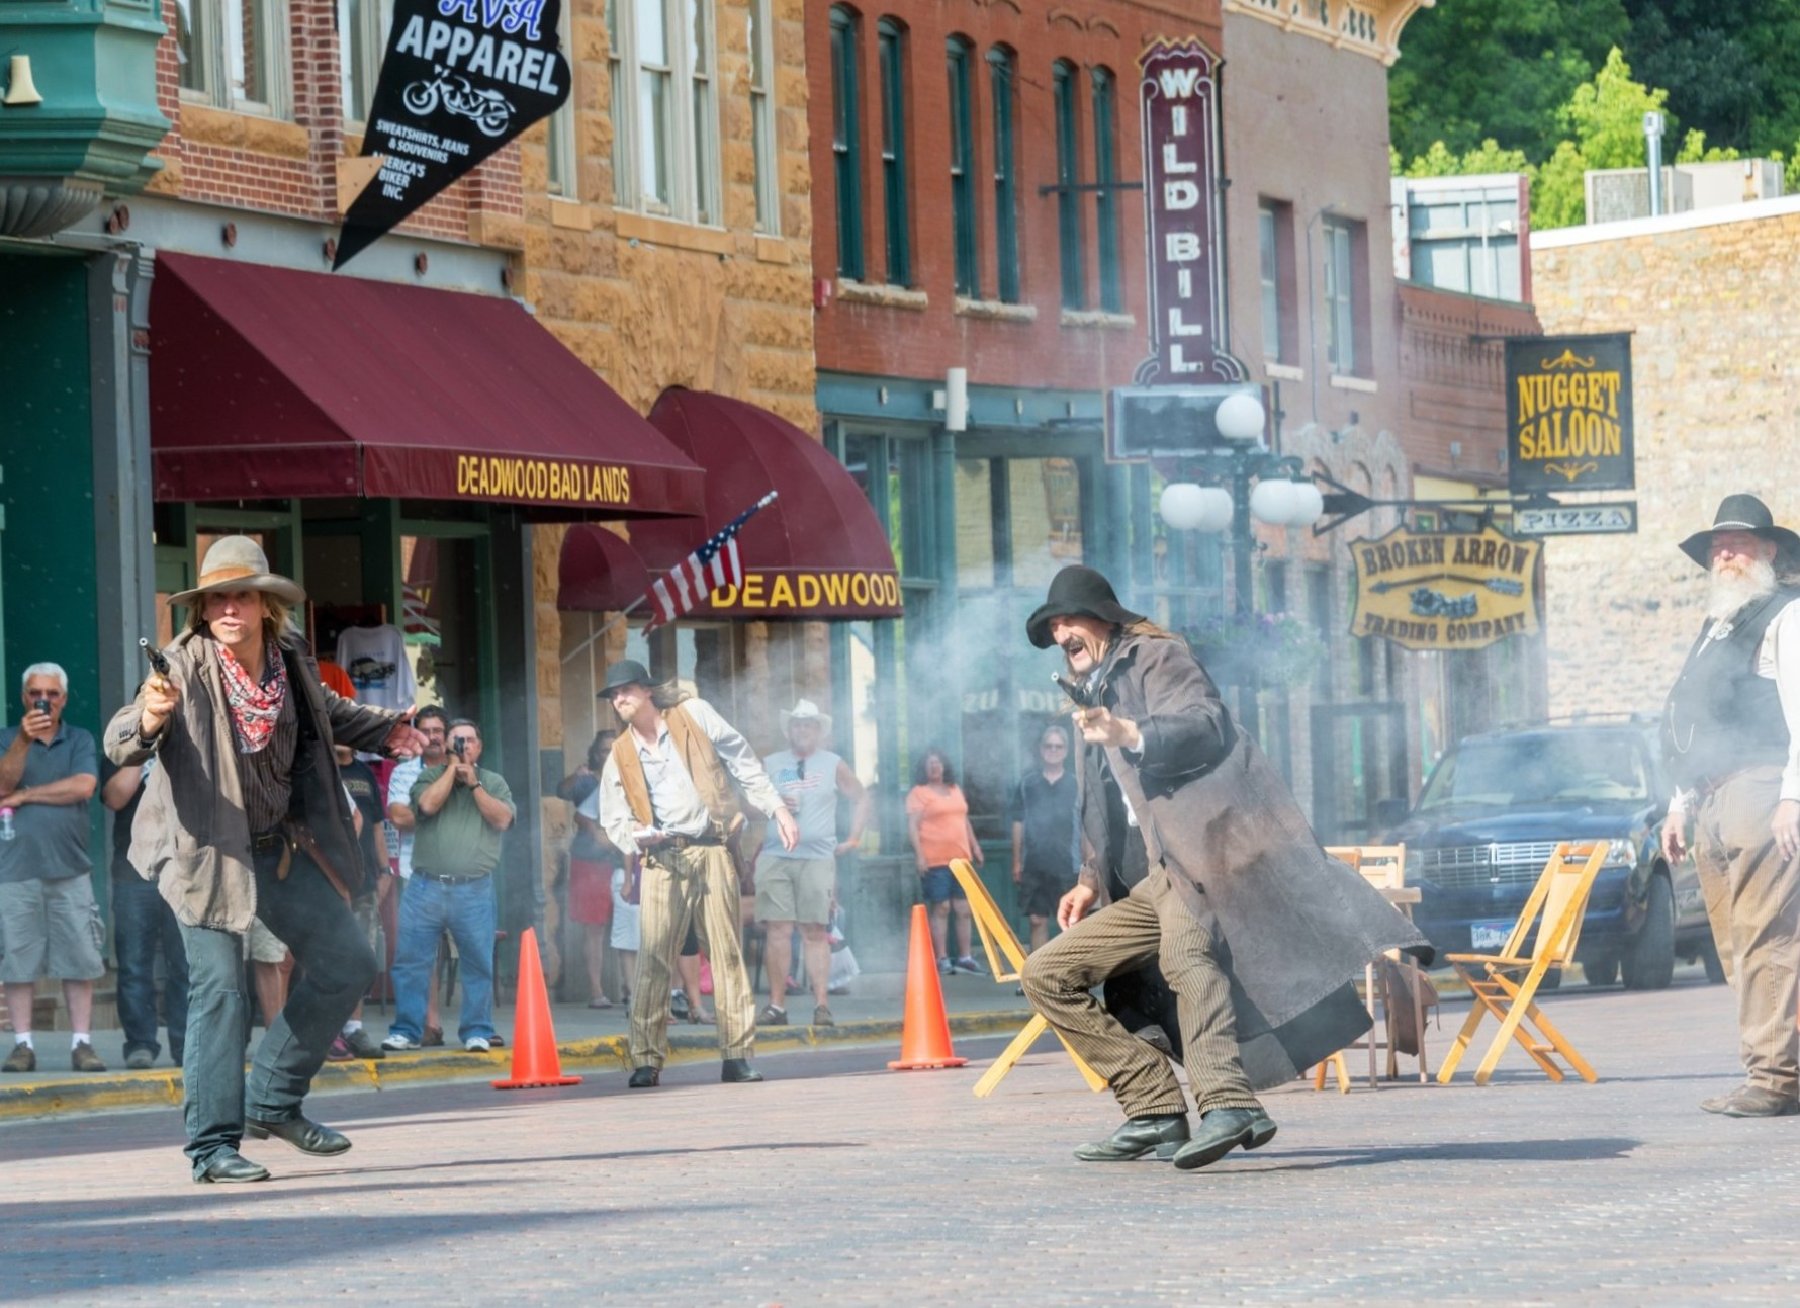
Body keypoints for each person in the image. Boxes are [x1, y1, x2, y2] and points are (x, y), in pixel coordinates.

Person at [1016, 565, 1429, 1171]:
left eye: (1067, 620)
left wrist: (1128, 730)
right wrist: (1088, 877)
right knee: (1047, 974)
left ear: (1102, 619)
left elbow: (1205, 722)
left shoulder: (1156, 658)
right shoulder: (1088, 695)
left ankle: (1229, 1103)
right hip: (1153, 873)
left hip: (1204, 852)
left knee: (1187, 957)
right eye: (1052, 627)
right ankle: (1154, 1108)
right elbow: (1102, 806)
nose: (1059, 634)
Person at [105, 536, 426, 1183]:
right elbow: (121, 740)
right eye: (217, 598)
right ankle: (211, 1147)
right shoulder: (182, 665)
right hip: (199, 854)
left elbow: (326, 710)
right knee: (221, 990)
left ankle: (273, 1099)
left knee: (348, 962)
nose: (230, 608)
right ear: (203, 608)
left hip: (274, 847)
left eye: (242, 596)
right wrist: (150, 717)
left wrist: (384, 728)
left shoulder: (289, 659)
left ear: (264, 605)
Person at [1659, 494, 1800, 1119]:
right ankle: (1776, 1067)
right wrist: (1679, 803)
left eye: (1738, 544)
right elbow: (1695, 722)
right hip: (1713, 795)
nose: (1725, 555)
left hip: (1760, 787)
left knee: (1767, 936)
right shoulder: (1717, 624)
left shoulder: (1787, 615)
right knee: (1735, 943)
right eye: (1718, 547)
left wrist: (1793, 795)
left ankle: (1774, 1078)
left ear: (1768, 550)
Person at [595, 660, 798, 1088]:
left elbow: (743, 761)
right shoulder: (620, 753)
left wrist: (776, 807)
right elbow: (613, 818)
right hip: (661, 858)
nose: (619, 699)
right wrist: (636, 836)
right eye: (613, 695)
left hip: (711, 848)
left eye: (626, 690)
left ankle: (737, 1056)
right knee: (653, 958)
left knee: (726, 954)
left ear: (647, 690)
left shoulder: (694, 714)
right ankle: (646, 1060)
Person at [384, 718, 514, 1053]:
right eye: (457, 741)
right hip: (425, 886)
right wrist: (452, 769)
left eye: (468, 741)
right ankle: (407, 1031)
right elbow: (427, 805)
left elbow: (502, 820)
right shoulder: (429, 777)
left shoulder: (493, 782)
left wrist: (474, 784)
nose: (463, 746)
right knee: (411, 961)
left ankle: (477, 1031)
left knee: (477, 962)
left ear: (479, 747)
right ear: (446, 747)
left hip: (474, 888)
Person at [0, 663, 105, 1073]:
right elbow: (2, 785)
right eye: (35, 693)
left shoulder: (79, 739)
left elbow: (83, 786)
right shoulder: (7, 738)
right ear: (23, 697)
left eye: (51, 694)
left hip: (70, 868)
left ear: (64, 698)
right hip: (15, 869)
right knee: (17, 962)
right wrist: (23, 742)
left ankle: (82, 1044)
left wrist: (26, 797)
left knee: (79, 960)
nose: (43, 700)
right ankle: (22, 1046)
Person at [755, 698, 870, 1029]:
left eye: (808, 724)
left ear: (818, 731)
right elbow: (746, 806)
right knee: (778, 930)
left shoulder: (832, 763)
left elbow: (862, 797)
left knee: (815, 930)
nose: (802, 729)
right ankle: (776, 1006)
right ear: (788, 730)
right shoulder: (771, 763)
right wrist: (774, 804)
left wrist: (854, 838)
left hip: (817, 857)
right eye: (797, 724)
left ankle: (821, 1006)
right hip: (776, 855)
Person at [101, 757, 188, 1069]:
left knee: (186, 966)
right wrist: (142, 751)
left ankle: (187, 1046)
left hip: (184, 869)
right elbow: (115, 798)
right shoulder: (121, 748)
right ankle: (140, 1044)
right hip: (133, 871)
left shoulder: (188, 743)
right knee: (134, 964)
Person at [386, 705, 451, 1045]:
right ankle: (427, 1024)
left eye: (438, 730)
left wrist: (423, 811)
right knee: (418, 953)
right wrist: (441, 811)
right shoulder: (404, 773)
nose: (432, 737)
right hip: (418, 872)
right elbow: (399, 818)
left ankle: (478, 1029)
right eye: (426, 731)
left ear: (447, 735)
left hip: (463, 873)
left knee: (473, 953)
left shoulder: (464, 769)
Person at [328, 744, 391, 1061]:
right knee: (326, 958)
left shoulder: (365, 773)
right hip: (328, 879)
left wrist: (385, 870)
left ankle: (354, 1028)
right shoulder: (320, 767)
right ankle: (327, 1029)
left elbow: (377, 826)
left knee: (361, 958)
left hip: (364, 881)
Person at [562, 730, 627, 1008]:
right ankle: (596, 990)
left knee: (628, 925)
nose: (609, 755)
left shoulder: (632, 776)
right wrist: (576, 776)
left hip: (624, 860)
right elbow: (562, 792)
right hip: (591, 861)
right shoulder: (588, 780)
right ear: (595, 754)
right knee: (595, 928)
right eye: (604, 750)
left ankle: (628, 987)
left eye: (614, 749)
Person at [905, 749, 985, 975]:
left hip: (962, 858)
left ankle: (965, 957)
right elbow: (912, 826)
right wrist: (920, 855)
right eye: (930, 763)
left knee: (963, 908)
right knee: (942, 907)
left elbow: (964, 821)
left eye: (938, 763)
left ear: (944, 766)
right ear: (924, 768)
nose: (935, 766)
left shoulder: (955, 789)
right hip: (935, 859)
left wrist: (975, 846)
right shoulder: (918, 793)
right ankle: (942, 958)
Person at [1011, 723, 1079, 953]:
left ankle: (1068, 972)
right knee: (1036, 920)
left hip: (1067, 864)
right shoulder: (1027, 784)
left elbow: (1087, 825)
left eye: (1058, 746)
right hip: (1035, 864)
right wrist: (1016, 862)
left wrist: (1090, 864)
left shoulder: (1076, 784)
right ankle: (1038, 972)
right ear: (1041, 749)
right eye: (1048, 746)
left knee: (1069, 922)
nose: (1053, 750)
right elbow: (1018, 822)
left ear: (1066, 751)